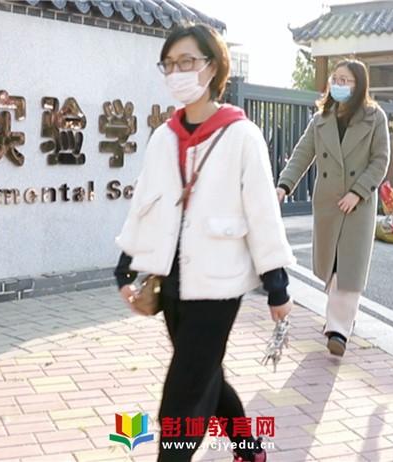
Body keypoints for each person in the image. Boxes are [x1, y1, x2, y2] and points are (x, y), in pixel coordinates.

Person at [113, 25, 294, 462]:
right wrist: (125, 266)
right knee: (204, 374)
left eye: (188, 62)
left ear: (213, 67)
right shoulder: (164, 136)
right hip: (171, 280)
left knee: (181, 398)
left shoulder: (242, 135)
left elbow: (261, 213)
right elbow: (146, 204)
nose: (178, 72)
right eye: (170, 64)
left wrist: (277, 285)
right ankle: (248, 448)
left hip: (219, 281)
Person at [276, 59, 390, 356]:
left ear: (359, 85)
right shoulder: (321, 118)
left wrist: (358, 192)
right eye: (335, 79)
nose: (338, 85)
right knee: (331, 265)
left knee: (348, 267)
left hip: (358, 204)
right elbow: (302, 154)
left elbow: (380, 160)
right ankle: (342, 317)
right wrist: (284, 185)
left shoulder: (375, 117)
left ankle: (338, 329)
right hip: (328, 202)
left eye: (345, 80)